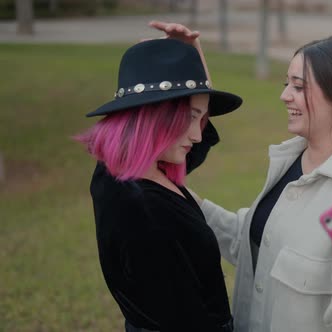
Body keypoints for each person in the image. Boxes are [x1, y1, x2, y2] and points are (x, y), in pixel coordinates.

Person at [151, 22, 332, 332]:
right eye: (286, 83)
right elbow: (257, 243)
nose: (284, 95)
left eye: (299, 87)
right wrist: (187, 201)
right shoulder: (294, 160)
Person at [76, 34, 242, 331]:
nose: (198, 135)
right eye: (190, 118)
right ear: (155, 116)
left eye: (201, 119)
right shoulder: (144, 210)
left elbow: (197, 144)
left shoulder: (123, 171)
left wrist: (190, 59)